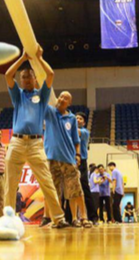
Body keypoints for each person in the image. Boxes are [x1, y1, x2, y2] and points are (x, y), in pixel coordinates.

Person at [4, 45, 68, 229]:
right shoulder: (17, 95)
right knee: (10, 184)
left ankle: (58, 218)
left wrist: (38, 59)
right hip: (16, 142)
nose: (25, 80)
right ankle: (8, 220)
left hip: (35, 144)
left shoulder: (41, 96)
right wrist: (23, 58)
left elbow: (50, 75)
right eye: (23, 77)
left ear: (34, 79)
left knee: (47, 182)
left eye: (28, 76)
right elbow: (8, 75)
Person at [44, 91, 92, 228]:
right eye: (60, 96)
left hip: (68, 159)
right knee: (55, 191)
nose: (62, 98)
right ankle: (58, 219)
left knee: (76, 189)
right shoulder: (50, 113)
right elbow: (42, 99)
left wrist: (77, 155)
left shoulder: (71, 118)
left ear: (69, 103)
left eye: (66, 98)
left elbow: (76, 140)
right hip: (52, 159)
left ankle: (84, 218)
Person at [76, 112, 98, 225]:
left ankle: (93, 217)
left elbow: (76, 132)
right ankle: (70, 218)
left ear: (84, 122)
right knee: (69, 191)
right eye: (76, 118)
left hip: (82, 162)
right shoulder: (70, 131)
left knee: (85, 188)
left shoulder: (84, 132)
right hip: (70, 162)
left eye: (80, 119)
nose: (77, 120)